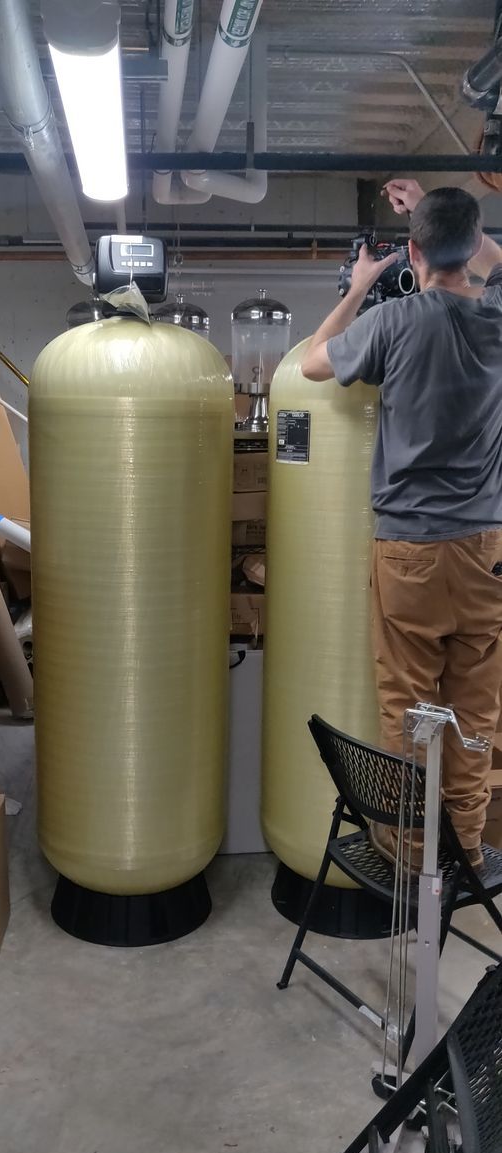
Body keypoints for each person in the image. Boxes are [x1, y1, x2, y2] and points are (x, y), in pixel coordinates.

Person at [301, 179, 502, 870]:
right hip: (483, 550)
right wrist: (445, 223)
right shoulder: (497, 318)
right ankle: (469, 848)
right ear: (472, 246)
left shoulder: (392, 322)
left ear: (410, 250)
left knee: (411, 707)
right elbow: (491, 261)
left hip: (409, 551)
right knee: (475, 711)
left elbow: (310, 363)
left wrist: (360, 284)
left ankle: (414, 853)